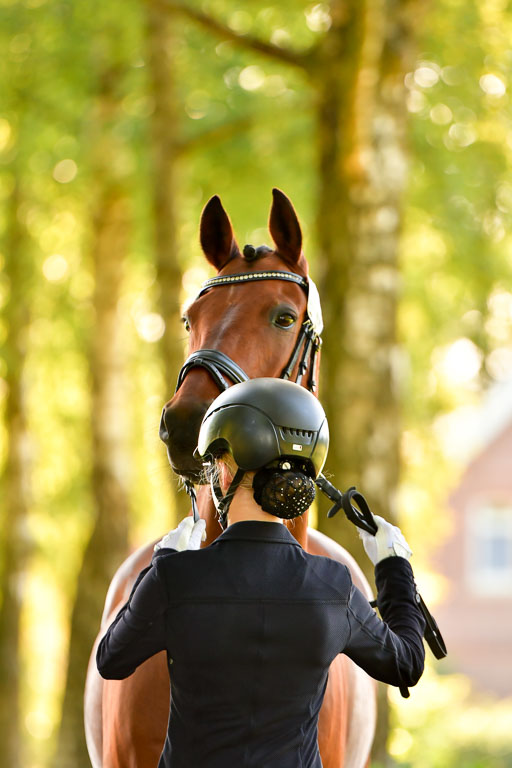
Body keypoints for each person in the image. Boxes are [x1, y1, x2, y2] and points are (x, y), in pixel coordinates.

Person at [97, 378, 425, 768]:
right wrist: (394, 567)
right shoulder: (334, 586)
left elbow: (111, 659)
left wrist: (161, 564)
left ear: (223, 469)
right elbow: (406, 663)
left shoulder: (175, 580)